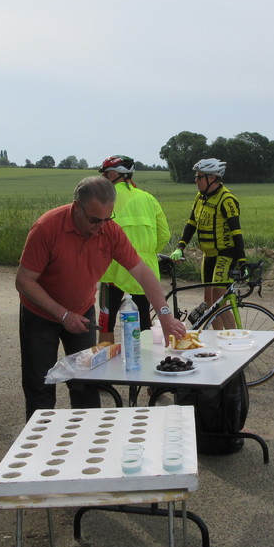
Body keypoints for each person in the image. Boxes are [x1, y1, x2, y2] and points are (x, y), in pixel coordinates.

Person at [15, 176, 186, 419]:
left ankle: (87, 435)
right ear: (77, 207)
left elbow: (143, 273)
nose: (101, 226)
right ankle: (39, 437)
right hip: (41, 315)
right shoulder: (47, 227)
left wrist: (165, 316)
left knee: (86, 382)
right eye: (95, 219)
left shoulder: (109, 230)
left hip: (82, 313)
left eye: (108, 218)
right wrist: (63, 314)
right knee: (40, 385)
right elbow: (24, 281)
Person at [95, 155, 171, 344]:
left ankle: (106, 359)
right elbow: (164, 234)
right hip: (144, 271)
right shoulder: (149, 199)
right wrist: (147, 252)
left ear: (113, 175)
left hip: (113, 271)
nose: (103, 179)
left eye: (105, 175)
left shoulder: (106, 198)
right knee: (144, 320)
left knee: (106, 322)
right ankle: (145, 359)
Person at [169, 158, 246, 329]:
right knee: (209, 302)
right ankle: (218, 339)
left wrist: (242, 261)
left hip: (225, 253)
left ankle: (236, 338)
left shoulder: (226, 199)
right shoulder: (200, 197)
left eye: (199, 177)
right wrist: (180, 247)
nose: (196, 180)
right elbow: (191, 224)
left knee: (220, 301)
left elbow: (237, 232)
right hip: (208, 254)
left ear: (212, 178)